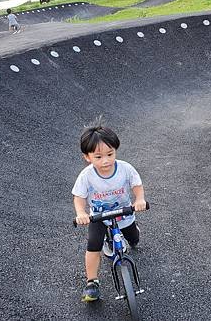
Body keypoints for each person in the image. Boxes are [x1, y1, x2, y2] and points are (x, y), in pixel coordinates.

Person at [72, 124, 147, 302]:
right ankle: (92, 282)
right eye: (98, 156)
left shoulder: (125, 169)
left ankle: (133, 232)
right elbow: (79, 197)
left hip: (124, 213)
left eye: (110, 154)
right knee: (93, 244)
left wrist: (139, 200)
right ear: (87, 157)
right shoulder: (86, 176)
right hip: (99, 217)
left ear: (115, 150)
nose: (105, 160)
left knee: (133, 239)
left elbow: (136, 185)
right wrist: (81, 212)